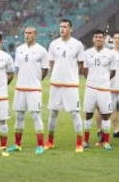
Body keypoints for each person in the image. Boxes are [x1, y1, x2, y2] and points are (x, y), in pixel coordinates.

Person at [44, 19, 84, 152]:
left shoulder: (78, 44)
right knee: (53, 113)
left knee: (75, 113)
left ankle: (79, 143)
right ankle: (50, 141)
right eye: (61, 27)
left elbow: (80, 64)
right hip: (56, 84)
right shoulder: (53, 44)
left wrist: (71, 75)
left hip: (71, 85)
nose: (62, 29)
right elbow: (51, 63)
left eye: (65, 27)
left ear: (70, 29)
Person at [7, 27, 49, 155]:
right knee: (19, 116)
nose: (27, 35)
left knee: (36, 116)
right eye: (25, 33)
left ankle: (40, 145)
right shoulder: (19, 49)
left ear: (35, 35)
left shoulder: (41, 50)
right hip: (20, 88)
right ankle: (17, 144)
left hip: (34, 89)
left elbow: (45, 69)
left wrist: (36, 81)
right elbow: (17, 69)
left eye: (30, 33)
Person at [82, 30, 116, 150]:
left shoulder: (111, 54)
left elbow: (113, 71)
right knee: (88, 114)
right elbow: (85, 70)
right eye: (96, 37)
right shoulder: (87, 53)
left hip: (104, 89)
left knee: (106, 115)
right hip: (90, 88)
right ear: (93, 39)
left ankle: (106, 142)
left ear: (104, 39)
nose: (98, 39)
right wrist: (92, 80)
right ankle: (85, 141)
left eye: (100, 37)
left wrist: (104, 80)